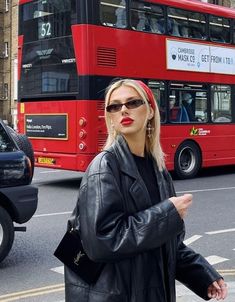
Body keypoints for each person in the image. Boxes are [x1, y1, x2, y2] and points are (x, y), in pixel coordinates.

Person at [64, 79, 228, 302]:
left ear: (150, 111)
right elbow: (102, 242)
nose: (123, 110)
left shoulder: (159, 170)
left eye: (132, 102)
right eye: (114, 106)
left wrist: (202, 273)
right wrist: (166, 214)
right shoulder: (104, 167)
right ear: (110, 117)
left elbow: (166, 243)